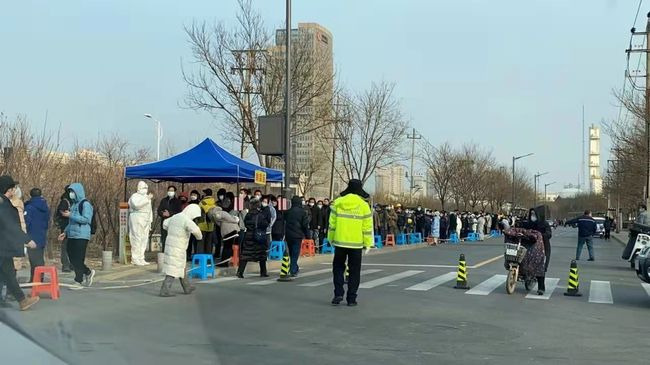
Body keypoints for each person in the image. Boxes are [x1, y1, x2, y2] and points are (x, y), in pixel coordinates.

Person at [328, 179, 373, 307]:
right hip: (356, 244)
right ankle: (351, 298)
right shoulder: (364, 206)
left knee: (337, 268)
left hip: (340, 242)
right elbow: (367, 227)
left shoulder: (337, 203)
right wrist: (368, 243)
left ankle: (338, 293)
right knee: (354, 271)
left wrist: (330, 239)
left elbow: (332, 224)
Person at [0, 176, 40, 310]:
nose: (15, 190)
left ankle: (21, 300)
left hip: (3, 246)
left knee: (6, 273)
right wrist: (27, 239)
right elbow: (10, 225)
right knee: (8, 273)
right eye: (13, 188)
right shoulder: (3, 204)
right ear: (8, 189)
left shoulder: (4, 202)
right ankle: (22, 301)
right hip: (2, 245)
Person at [160, 204, 203, 297]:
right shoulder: (186, 220)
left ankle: (187, 287)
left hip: (170, 245)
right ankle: (165, 289)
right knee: (173, 268)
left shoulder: (175, 216)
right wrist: (199, 237)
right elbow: (197, 232)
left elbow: (165, 224)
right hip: (178, 246)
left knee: (181, 267)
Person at [59, 183, 96, 287]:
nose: (71, 194)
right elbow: (71, 222)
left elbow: (86, 219)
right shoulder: (74, 204)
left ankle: (78, 280)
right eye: (70, 192)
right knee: (72, 258)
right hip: (72, 235)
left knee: (78, 258)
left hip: (82, 235)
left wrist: (71, 215)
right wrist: (65, 232)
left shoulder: (85, 204)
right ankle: (87, 272)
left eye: (72, 192)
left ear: (78, 192)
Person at [520, 206, 552, 295]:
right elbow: (522, 229)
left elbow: (549, 234)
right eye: (531, 214)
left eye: (534, 214)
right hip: (529, 247)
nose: (532, 216)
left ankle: (541, 287)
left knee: (540, 267)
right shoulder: (528, 223)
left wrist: (541, 235)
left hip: (543, 248)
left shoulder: (544, 224)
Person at [237, 196, 271, 278]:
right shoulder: (260, 215)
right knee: (261, 255)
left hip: (248, 235)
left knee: (245, 255)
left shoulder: (248, 215)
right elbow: (265, 224)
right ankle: (263, 272)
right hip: (258, 236)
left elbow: (245, 223)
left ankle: (240, 272)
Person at [24, 188, 50, 282]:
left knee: (33, 258)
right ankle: (40, 277)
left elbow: (27, 222)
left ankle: (34, 279)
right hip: (42, 234)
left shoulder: (29, 207)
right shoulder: (45, 206)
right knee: (39, 257)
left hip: (32, 235)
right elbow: (47, 220)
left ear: (31, 195)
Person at [128, 181, 154, 266]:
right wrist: (147, 199)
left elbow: (150, 211)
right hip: (137, 218)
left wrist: (150, 221)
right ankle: (135, 258)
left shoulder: (147, 197)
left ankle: (141, 257)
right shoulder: (135, 196)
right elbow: (136, 205)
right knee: (137, 238)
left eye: (146, 188)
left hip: (145, 219)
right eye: (143, 188)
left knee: (144, 239)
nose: (145, 190)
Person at [284, 196, 310, 277]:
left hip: (288, 234)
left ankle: (294, 267)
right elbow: (305, 225)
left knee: (291, 252)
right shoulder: (303, 212)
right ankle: (293, 269)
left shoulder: (287, 211)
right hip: (298, 235)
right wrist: (307, 235)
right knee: (295, 253)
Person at [157, 185, 182, 252]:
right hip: (164, 222)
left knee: (172, 239)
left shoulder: (177, 201)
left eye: (172, 190)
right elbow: (159, 210)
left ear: (174, 192)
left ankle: (172, 253)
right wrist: (163, 213)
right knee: (164, 238)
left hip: (173, 223)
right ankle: (164, 252)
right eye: (169, 190)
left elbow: (179, 212)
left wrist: (170, 213)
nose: (170, 192)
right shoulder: (164, 200)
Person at [54, 186, 73, 272]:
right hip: (66, 226)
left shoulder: (74, 201)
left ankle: (72, 264)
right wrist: (70, 214)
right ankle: (66, 265)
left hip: (73, 227)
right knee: (65, 246)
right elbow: (61, 211)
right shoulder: (65, 201)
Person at [197, 188, 217, 254]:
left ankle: (200, 258)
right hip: (211, 225)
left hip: (202, 224)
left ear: (205, 194)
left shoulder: (202, 202)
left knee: (201, 242)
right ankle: (208, 259)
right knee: (209, 243)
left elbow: (199, 211)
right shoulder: (214, 202)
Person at [186, 190, 201, 261]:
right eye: (192, 194)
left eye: (194, 194)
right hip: (188, 224)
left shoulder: (199, 204)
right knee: (189, 241)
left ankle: (196, 256)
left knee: (196, 242)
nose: (193, 196)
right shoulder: (188, 204)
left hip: (197, 224)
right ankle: (188, 255)